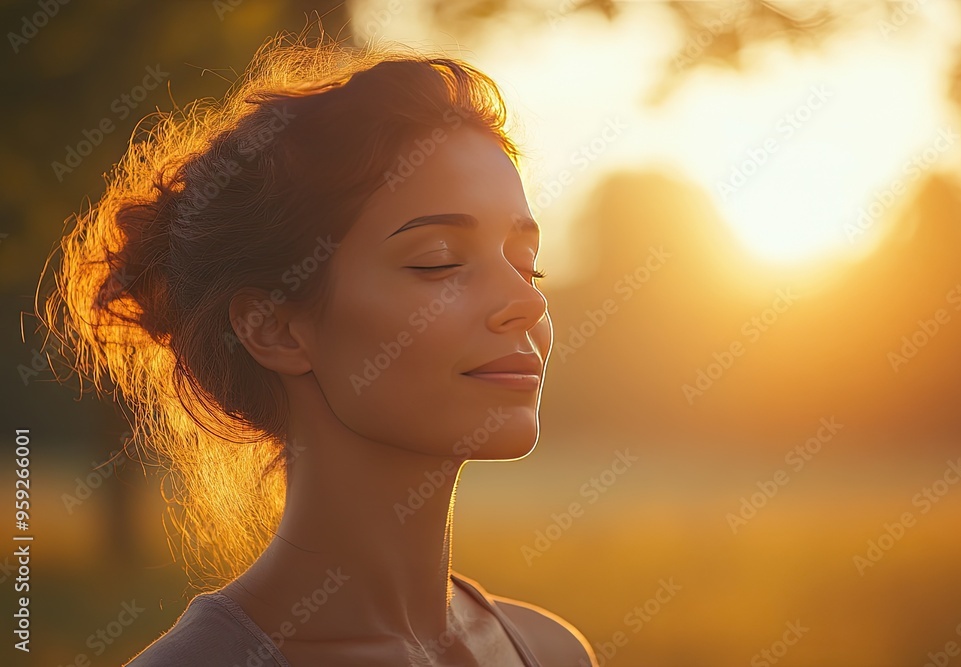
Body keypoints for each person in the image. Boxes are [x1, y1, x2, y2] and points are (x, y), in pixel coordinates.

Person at [37, 27, 598, 667]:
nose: (526, 302)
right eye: (439, 261)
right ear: (273, 327)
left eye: (529, 265)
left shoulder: (552, 652)